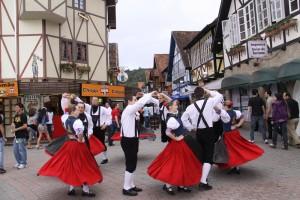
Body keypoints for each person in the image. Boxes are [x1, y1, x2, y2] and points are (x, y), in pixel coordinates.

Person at [38, 104, 102, 197]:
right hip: (78, 145)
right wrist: (80, 141)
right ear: (72, 111)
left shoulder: (66, 119)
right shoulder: (77, 121)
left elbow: (67, 128)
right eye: (76, 110)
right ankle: (85, 190)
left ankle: (71, 188)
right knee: (84, 166)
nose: (78, 111)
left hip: (69, 145)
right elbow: (80, 135)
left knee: (71, 166)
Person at [147, 100, 202, 195]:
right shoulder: (172, 119)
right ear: (170, 107)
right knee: (175, 164)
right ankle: (168, 185)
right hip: (177, 145)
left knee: (183, 164)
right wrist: (176, 138)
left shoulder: (175, 115)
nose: (177, 106)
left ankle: (180, 185)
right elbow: (167, 132)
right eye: (175, 105)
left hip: (182, 143)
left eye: (177, 105)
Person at [181, 87, 223, 191]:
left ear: (194, 96)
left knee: (200, 154)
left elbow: (183, 119)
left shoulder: (190, 107)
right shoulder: (209, 102)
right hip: (209, 131)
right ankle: (203, 182)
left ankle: (200, 176)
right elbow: (220, 96)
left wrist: (191, 127)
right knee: (208, 156)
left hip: (198, 132)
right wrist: (209, 91)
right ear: (203, 94)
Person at [121, 91, 159, 196]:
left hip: (133, 139)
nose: (136, 101)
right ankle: (126, 187)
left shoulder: (134, 111)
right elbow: (141, 103)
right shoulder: (128, 109)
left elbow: (142, 104)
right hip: (128, 140)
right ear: (129, 101)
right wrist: (149, 94)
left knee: (133, 163)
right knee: (130, 164)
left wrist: (151, 98)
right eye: (134, 100)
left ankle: (131, 185)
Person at [217, 101, 264, 174]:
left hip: (229, 134)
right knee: (236, 149)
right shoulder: (235, 112)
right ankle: (236, 167)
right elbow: (242, 117)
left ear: (226, 106)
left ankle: (234, 167)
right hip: (235, 133)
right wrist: (238, 125)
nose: (223, 106)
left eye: (224, 105)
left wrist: (238, 125)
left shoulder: (224, 114)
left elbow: (218, 112)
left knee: (231, 150)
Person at [77, 96, 111, 164]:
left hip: (100, 129)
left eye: (96, 100)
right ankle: (92, 159)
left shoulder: (103, 109)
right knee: (90, 144)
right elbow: (80, 102)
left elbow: (109, 116)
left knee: (101, 143)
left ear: (98, 101)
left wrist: (105, 124)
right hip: (91, 129)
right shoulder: (88, 107)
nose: (95, 102)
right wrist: (74, 97)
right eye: (93, 100)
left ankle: (105, 158)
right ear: (91, 101)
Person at [11, 103, 28, 169]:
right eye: (15, 107)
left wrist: (16, 129)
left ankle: (23, 163)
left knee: (21, 150)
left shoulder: (23, 115)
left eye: (17, 107)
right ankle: (18, 162)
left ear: (21, 108)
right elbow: (14, 123)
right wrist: (12, 124)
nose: (15, 108)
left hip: (22, 135)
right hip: (16, 136)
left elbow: (25, 126)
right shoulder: (16, 116)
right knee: (15, 150)